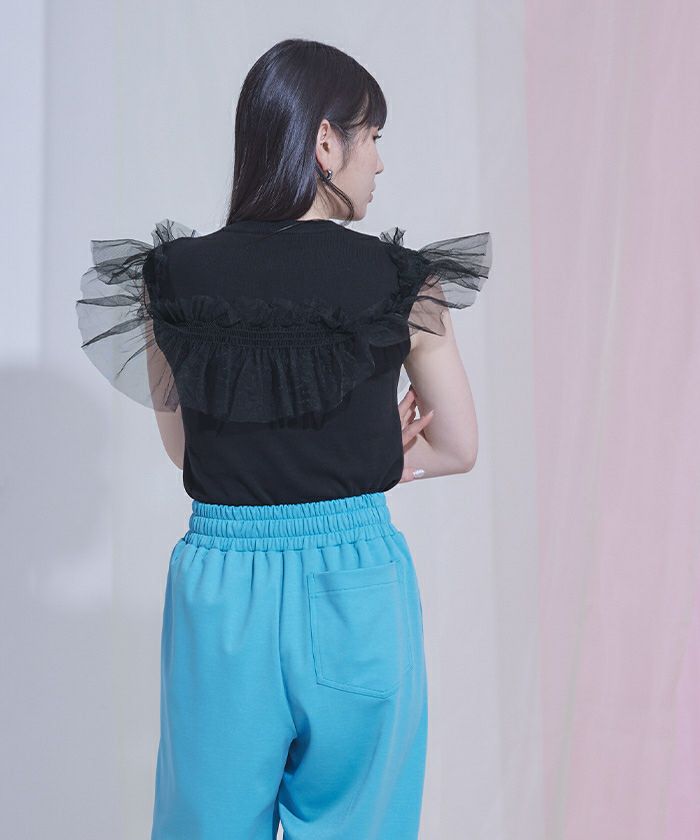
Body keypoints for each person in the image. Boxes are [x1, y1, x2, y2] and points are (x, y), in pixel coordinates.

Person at [75, 37, 492, 840]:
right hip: (357, 580)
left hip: (221, 586)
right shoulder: (402, 280)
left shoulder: (173, 277)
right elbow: (459, 445)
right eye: (373, 137)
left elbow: (187, 453)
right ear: (325, 141)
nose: (379, 162)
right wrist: (373, 459)